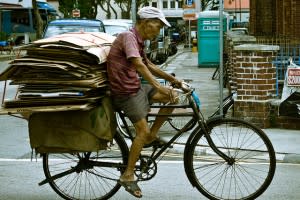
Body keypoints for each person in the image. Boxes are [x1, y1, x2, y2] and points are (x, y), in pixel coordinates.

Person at [107, 6, 182, 198]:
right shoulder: (128, 37)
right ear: (146, 23)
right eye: (157, 26)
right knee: (142, 130)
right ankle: (128, 174)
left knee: (173, 97)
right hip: (125, 92)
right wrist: (158, 86)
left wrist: (172, 81)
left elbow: (147, 63)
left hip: (136, 88)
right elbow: (138, 64)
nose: (158, 30)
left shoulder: (138, 40)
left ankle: (151, 136)